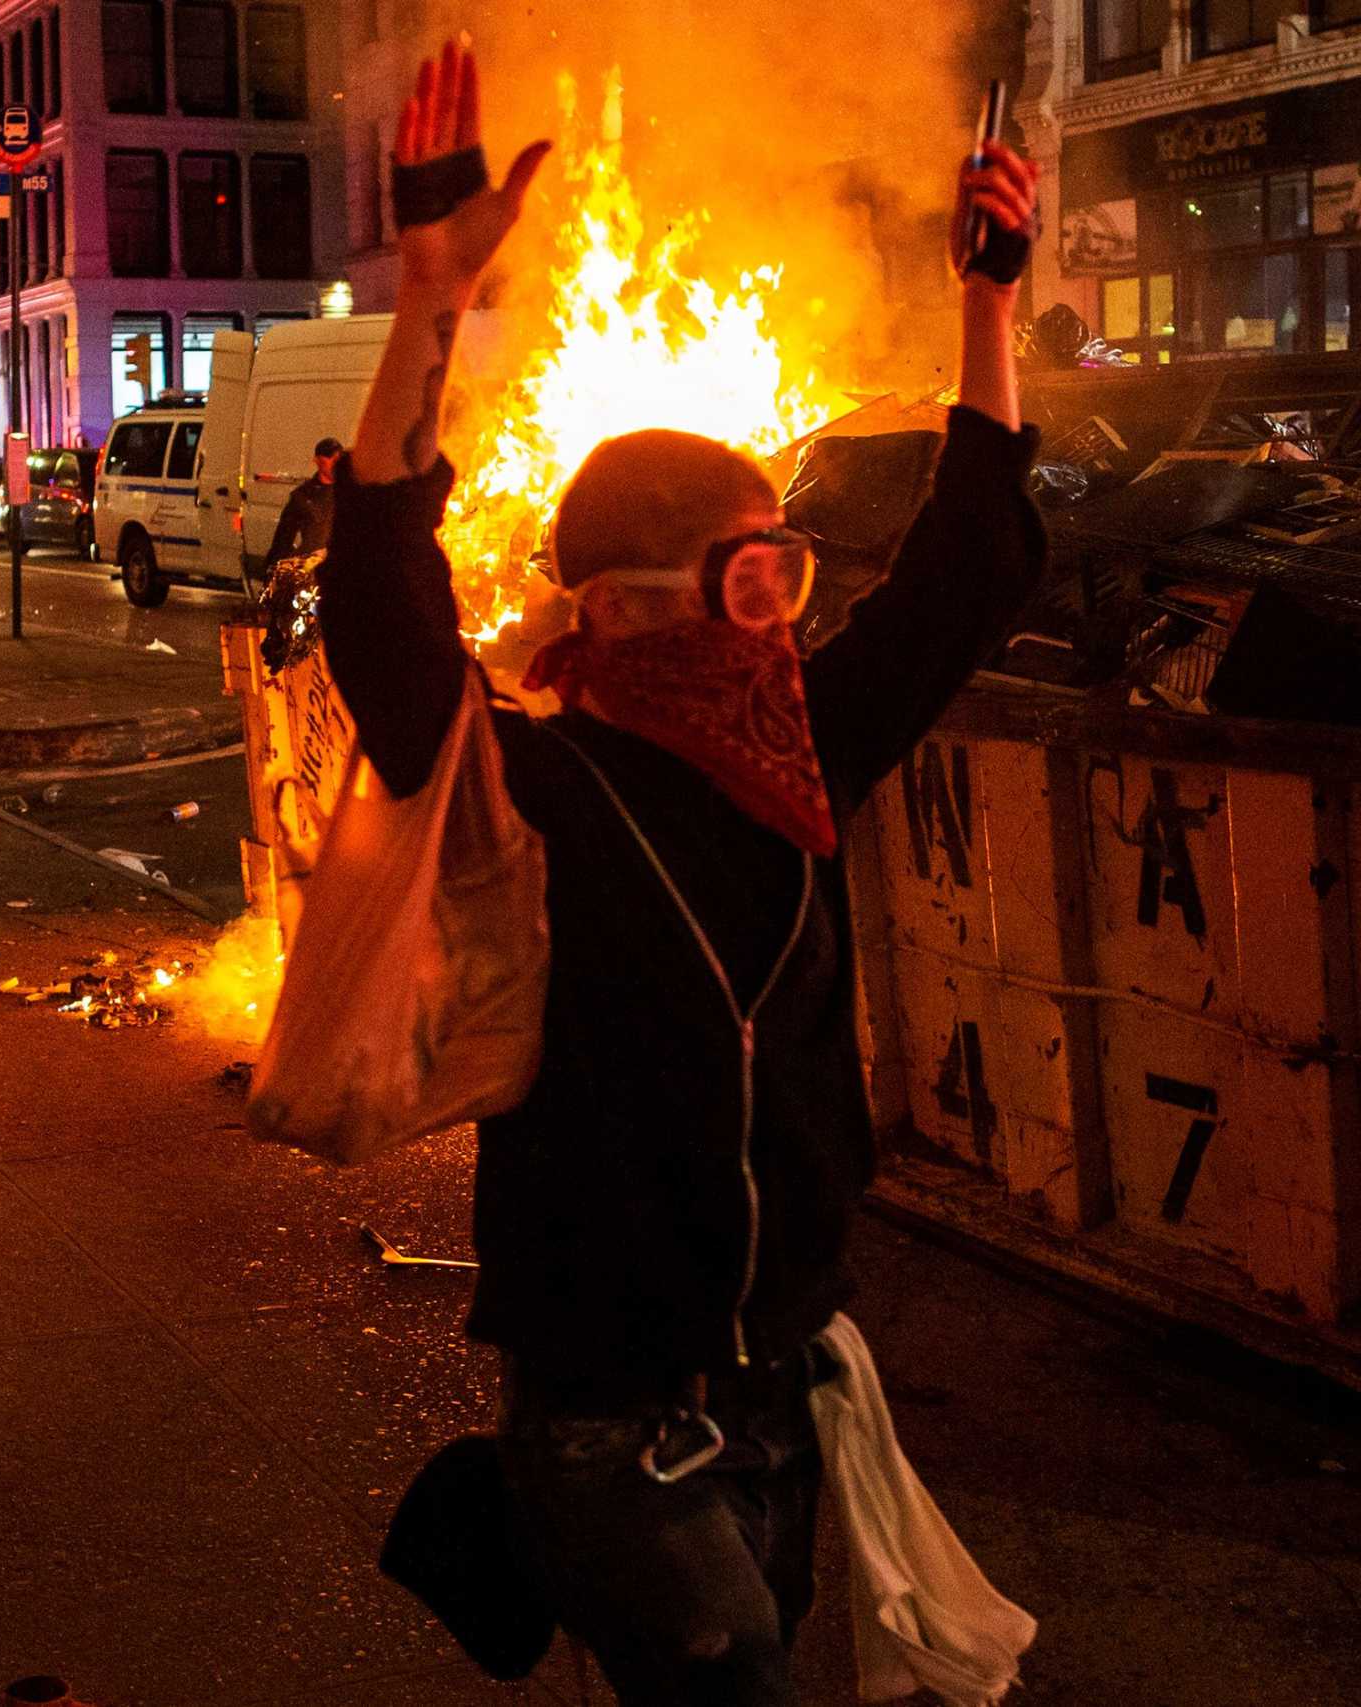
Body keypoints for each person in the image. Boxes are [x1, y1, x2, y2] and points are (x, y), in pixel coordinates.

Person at [316, 38, 1045, 1706]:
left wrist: (989, 304)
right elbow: (379, 596)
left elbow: (969, 566)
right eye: (761, 575)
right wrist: (427, 307)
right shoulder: (530, 786)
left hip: (787, 1383)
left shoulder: (799, 759)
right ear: (648, 602)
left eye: (789, 572)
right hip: (603, 1422)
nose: (790, 610)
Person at [263, 436, 343, 577]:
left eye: (338, 460)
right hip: (312, 570)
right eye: (329, 458)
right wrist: (274, 569)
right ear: (317, 460)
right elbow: (284, 536)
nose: (334, 464)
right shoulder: (303, 496)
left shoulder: (349, 493)